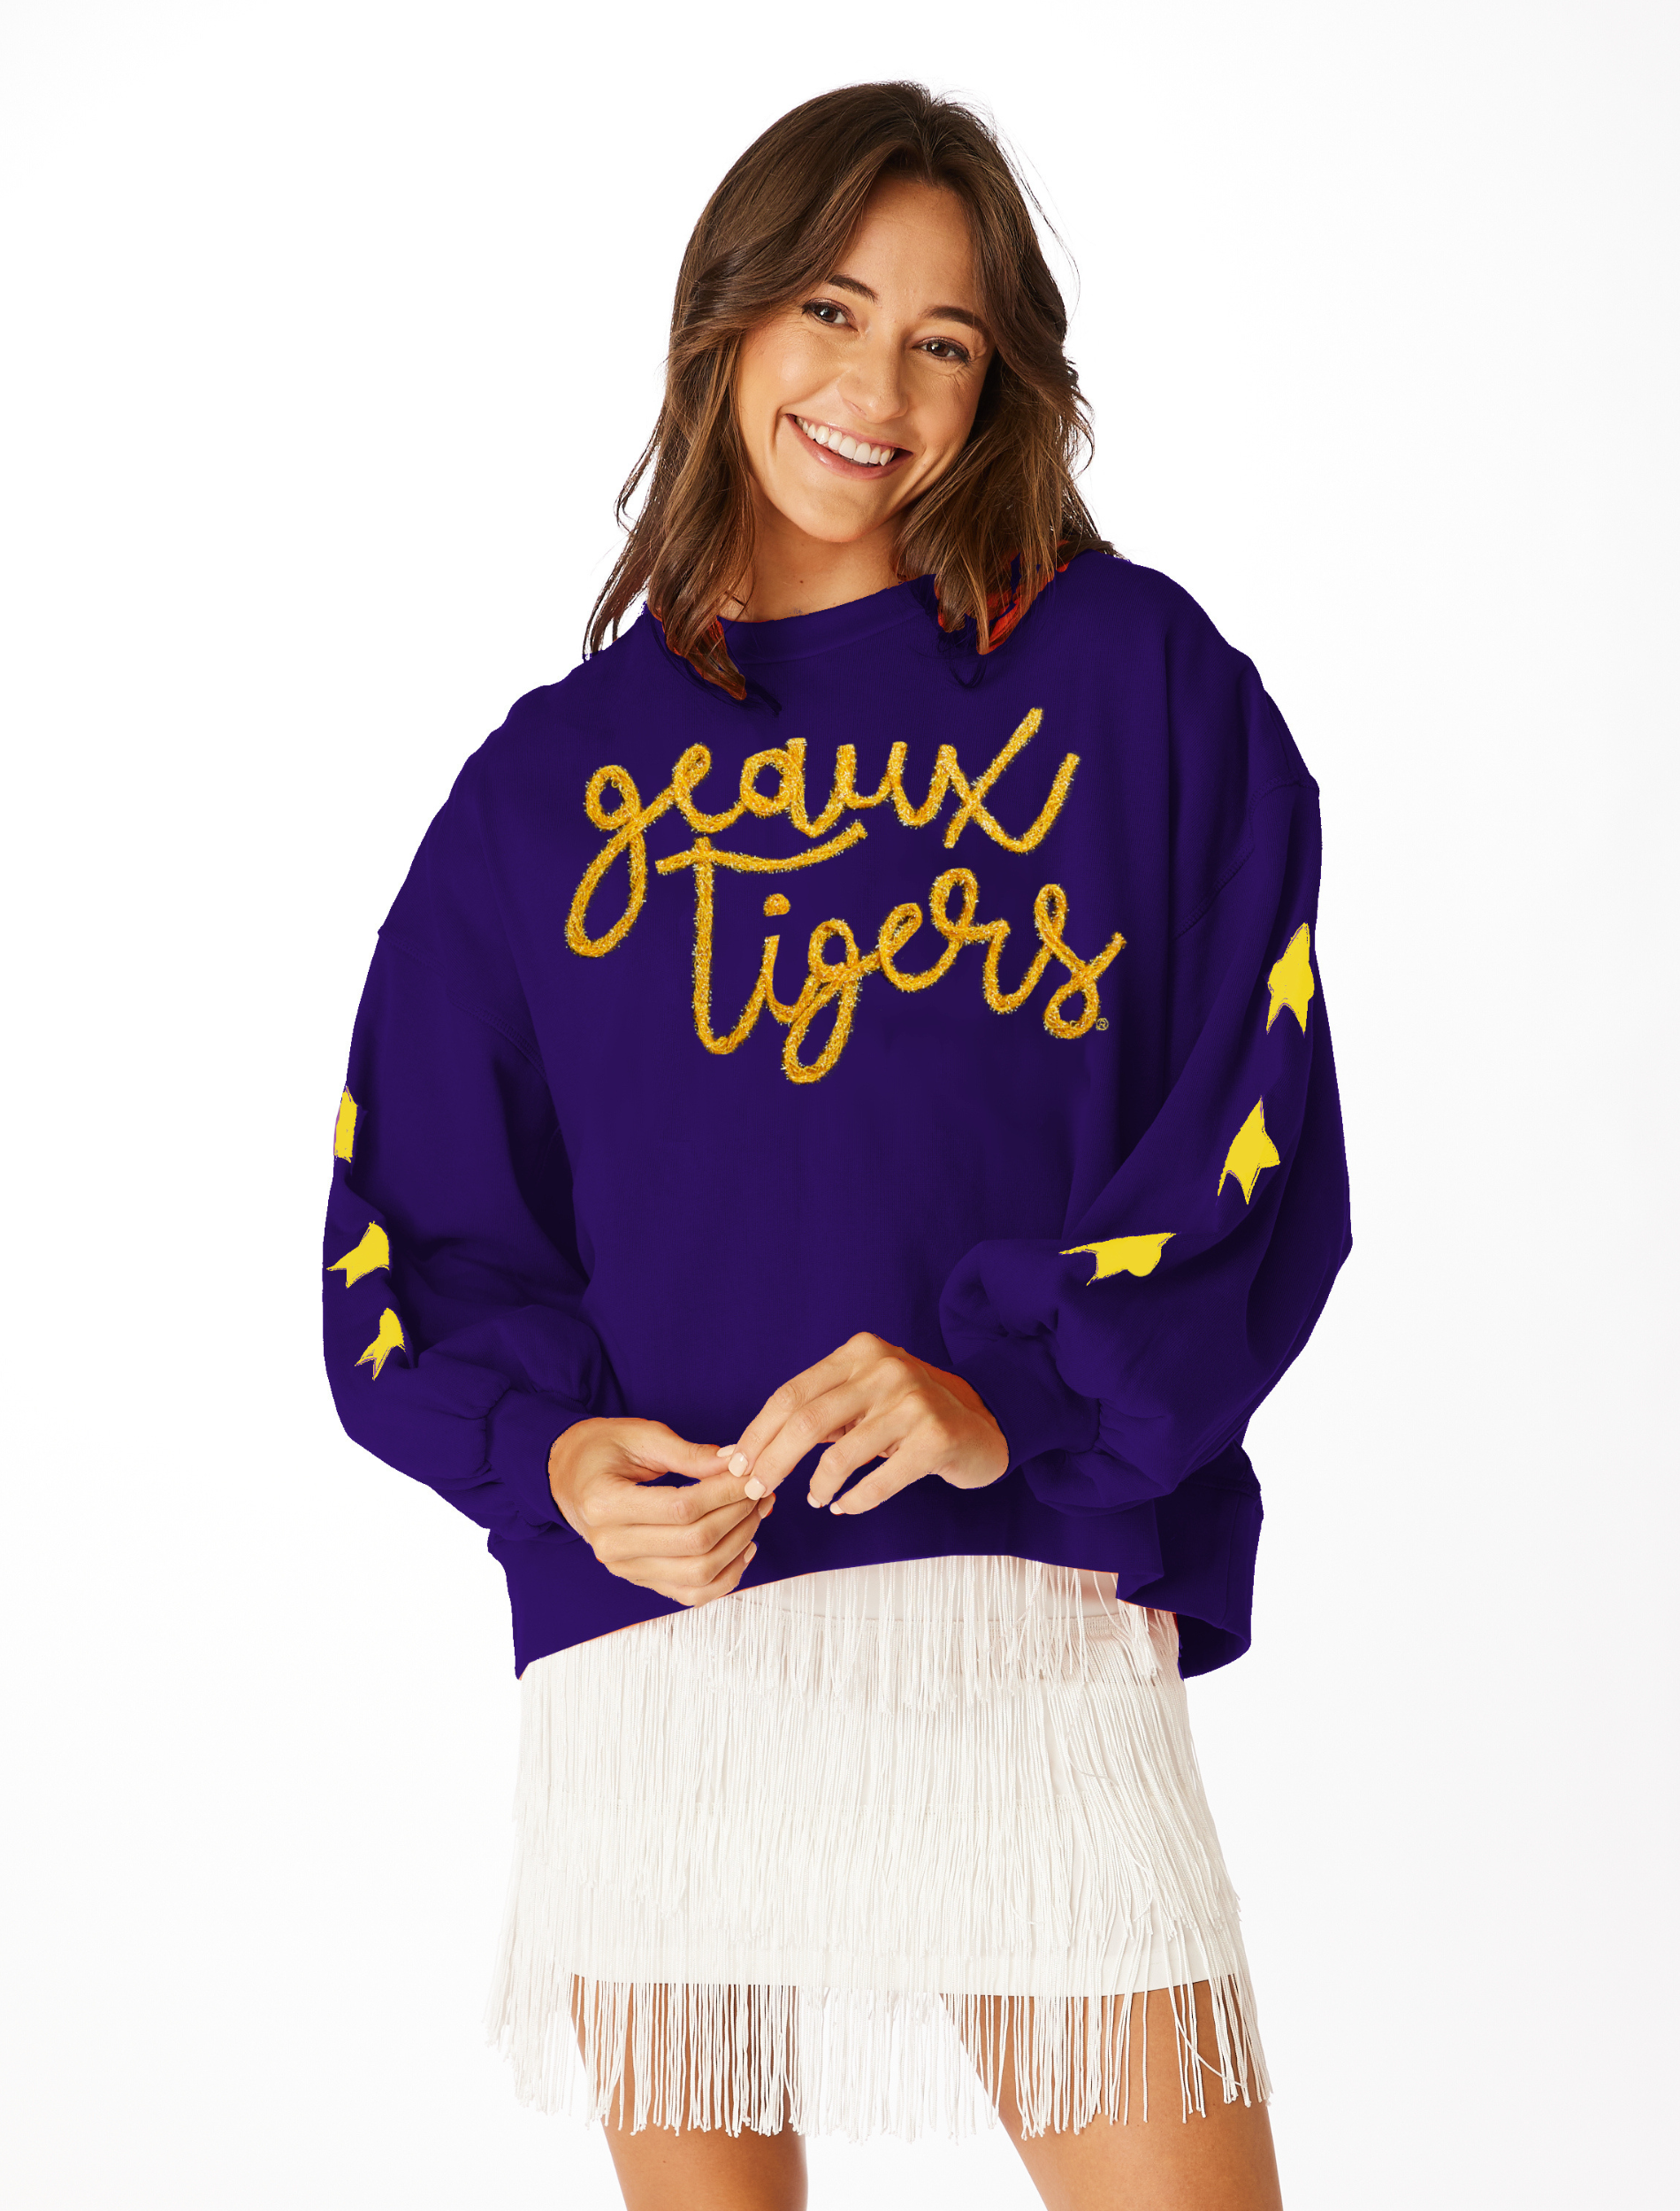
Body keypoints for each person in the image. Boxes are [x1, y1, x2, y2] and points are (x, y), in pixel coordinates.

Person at [323, 80, 1350, 2211]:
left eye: (941, 340)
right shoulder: (539, 789)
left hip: (1014, 1599)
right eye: (829, 309)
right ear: (724, 320)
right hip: (662, 1630)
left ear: (1001, 382)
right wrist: (550, 1458)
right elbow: (414, 1218)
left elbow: (1253, 1134)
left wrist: (1009, 1392)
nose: (875, 391)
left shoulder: (1133, 685)